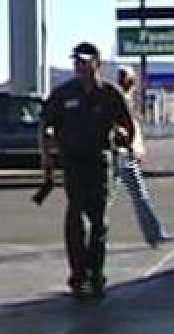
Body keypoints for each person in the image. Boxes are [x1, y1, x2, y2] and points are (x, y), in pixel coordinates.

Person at [39, 42, 134, 299]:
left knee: (99, 221)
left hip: (100, 162)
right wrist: (47, 161)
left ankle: (96, 273)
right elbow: (46, 125)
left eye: (84, 61)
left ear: (97, 64)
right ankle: (78, 275)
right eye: (76, 62)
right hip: (73, 163)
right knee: (76, 219)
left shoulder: (110, 94)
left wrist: (126, 140)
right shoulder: (63, 94)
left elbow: (127, 125)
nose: (80, 66)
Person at [114, 66, 174, 248]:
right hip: (123, 155)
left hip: (126, 154)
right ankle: (154, 234)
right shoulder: (120, 101)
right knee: (137, 195)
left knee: (134, 195)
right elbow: (124, 130)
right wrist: (132, 149)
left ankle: (154, 234)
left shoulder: (124, 100)